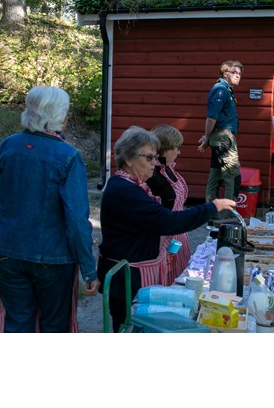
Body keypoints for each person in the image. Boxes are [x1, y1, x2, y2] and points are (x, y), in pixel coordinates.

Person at [98, 126, 236, 332]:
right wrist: (212, 207)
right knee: (127, 326)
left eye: (155, 157)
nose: (155, 163)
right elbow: (167, 221)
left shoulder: (129, 185)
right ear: (128, 159)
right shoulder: (124, 190)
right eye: (149, 158)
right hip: (127, 277)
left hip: (136, 271)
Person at [0, 86, 99, 333]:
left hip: (8, 250)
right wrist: (89, 270)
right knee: (54, 325)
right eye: (66, 112)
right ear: (57, 116)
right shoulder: (68, 155)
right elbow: (76, 220)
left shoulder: (7, 145)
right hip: (53, 257)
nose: (68, 117)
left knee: (17, 322)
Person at [145, 124, 191, 285]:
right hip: (166, 241)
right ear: (164, 148)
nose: (179, 152)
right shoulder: (153, 175)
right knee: (166, 285)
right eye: (176, 147)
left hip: (178, 237)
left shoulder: (168, 168)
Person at [198, 60, 243, 214]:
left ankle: (211, 216)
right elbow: (211, 118)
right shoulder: (221, 90)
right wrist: (206, 137)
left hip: (221, 138)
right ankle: (226, 217)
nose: (238, 76)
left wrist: (207, 138)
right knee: (232, 176)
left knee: (216, 174)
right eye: (234, 73)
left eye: (239, 73)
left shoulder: (227, 90)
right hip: (223, 139)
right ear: (225, 74)